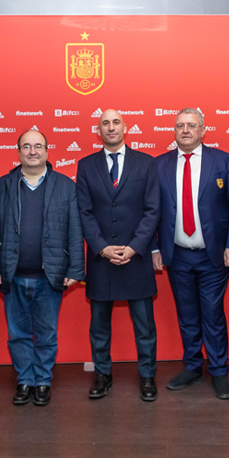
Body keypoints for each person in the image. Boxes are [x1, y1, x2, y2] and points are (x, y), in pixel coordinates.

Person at [0, 130, 85, 406]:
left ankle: (42, 381)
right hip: (12, 273)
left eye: (37, 146)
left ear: (47, 151)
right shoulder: (3, 186)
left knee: (47, 334)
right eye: (26, 146)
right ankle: (24, 380)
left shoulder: (65, 186)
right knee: (17, 334)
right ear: (18, 152)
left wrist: (76, 269)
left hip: (49, 276)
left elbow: (75, 231)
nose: (32, 151)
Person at [153, 108, 229, 400]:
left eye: (191, 126)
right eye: (180, 126)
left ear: (203, 130)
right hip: (177, 254)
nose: (185, 131)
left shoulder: (222, 160)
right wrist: (155, 247)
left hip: (213, 255)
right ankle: (193, 366)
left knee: (213, 314)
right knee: (187, 314)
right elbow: (151, 211)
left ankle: (218, 371)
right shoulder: (160, 165)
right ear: (174, 131)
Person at [76, 110, 160, 402]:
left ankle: (148, 376)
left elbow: (153, 211)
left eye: (115, 122)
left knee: (145, 326)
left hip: (136, 257)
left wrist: (135, 246)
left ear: (126, 127)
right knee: (99, 325)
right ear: (97, 129)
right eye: (104, 123)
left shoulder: (146, 164)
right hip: (102, 259)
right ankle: (103, 375)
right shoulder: (85, 165)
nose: (110, 128)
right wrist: (101, 247)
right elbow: (84, 212)